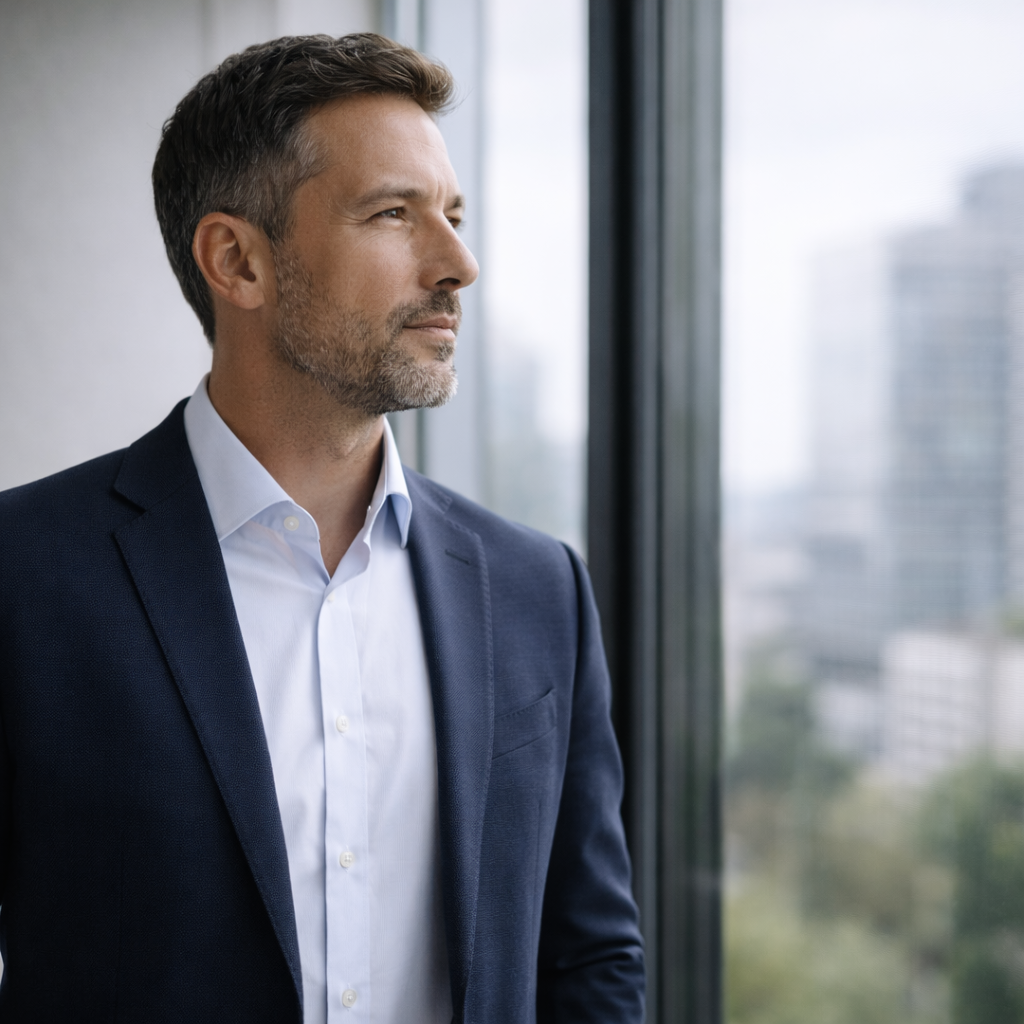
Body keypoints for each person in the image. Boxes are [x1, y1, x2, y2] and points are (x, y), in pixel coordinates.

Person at [0, 33, 644, 1023]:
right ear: (238, 261)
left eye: (454, 216)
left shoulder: (537, 587)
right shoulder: (25, 577)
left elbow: (590, 956)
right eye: (394, 214)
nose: (458, 264)